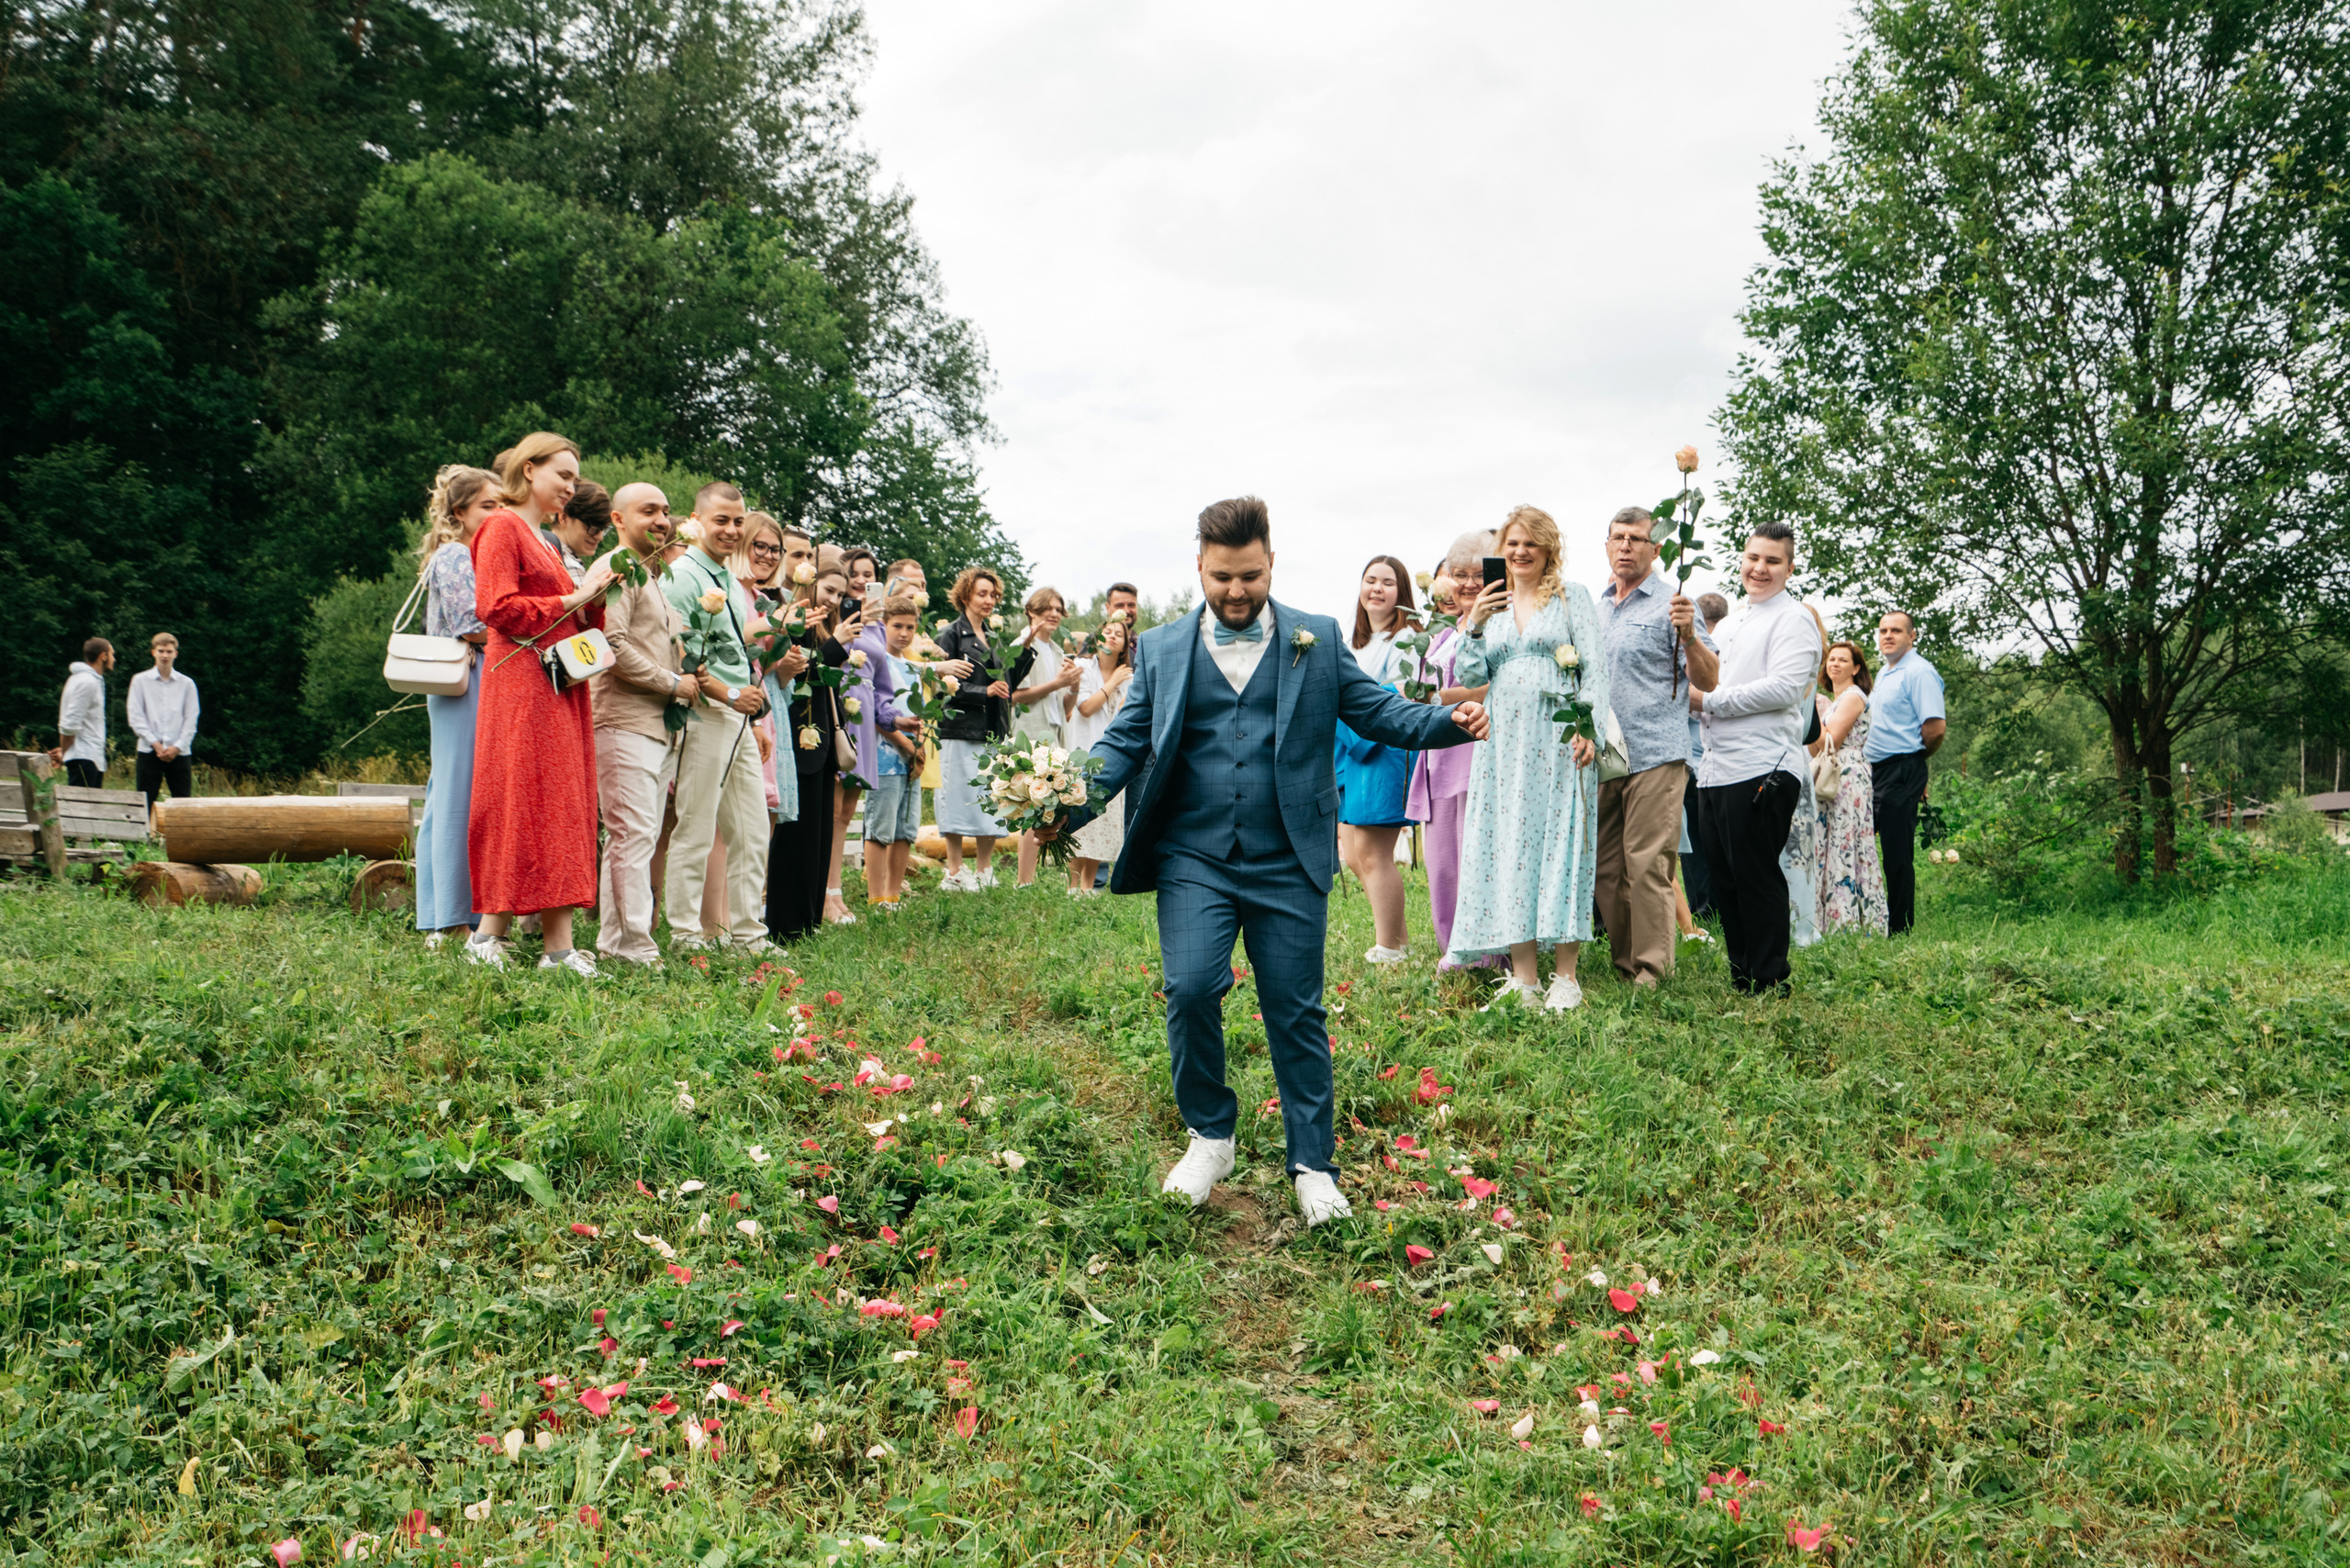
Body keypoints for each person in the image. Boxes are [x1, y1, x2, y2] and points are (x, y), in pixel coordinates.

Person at [1044, 497, 1487, 1226]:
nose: (1236, 591)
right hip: (1194, 852)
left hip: (1288, 853)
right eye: (1222, 577)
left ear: (1272, 563)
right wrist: (1064, 801)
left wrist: (1449, 721)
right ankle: (1209, 1136)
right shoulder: (1161, 648)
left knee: (1294, 1009)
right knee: (1190, 988)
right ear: (1200, 568)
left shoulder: (1318, 637)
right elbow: (1124, 741)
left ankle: (1313, 1165)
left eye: (1250, 576)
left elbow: (1377, 711)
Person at [464, 431, 616, 976]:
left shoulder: (547, 541)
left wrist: (595, 598)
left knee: (560, 804)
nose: (571, 488)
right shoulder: (502, 526)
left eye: (575, 478)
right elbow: (496, 606)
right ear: (529, 469)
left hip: (559, 683)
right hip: (523, 685)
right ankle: (494, 937)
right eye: (563, 475)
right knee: (523, 798)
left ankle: (554, 946)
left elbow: (568, 615)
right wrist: (575, 596)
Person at [1449, 506, 1608, 1010]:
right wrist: (1475, 624)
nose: (1520, 552)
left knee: (1563, 841)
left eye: (1530, 543)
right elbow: (1471, 673)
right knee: (1511, 844)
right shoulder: (1491, 606)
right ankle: (1524, 979)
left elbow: (1595, 670)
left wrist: (1588, 728)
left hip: (1561, 738)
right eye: (1512, 544)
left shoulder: (1571, 597)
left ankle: (1566, 978)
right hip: (1504, 744)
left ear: (1548, 549)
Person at [1689, 522, 1821, 996]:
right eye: (1753, 558)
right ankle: (1743, 976)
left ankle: (1769, 979)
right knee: (1726, 878)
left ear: (1790, 568)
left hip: (1763, 764)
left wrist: (1709, 702)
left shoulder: (1794, 619)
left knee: (1756, 875)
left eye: (1772, 561)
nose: (1759, 568)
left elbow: (1784, 689)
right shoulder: (1730, 623)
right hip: (1715, 767)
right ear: (1742, 561)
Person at [1594, 508, 1719, 988]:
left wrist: (1689, 637)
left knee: (1647, 864)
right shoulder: (1598, 609)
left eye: (1637, 538)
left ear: (1657, 548)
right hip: (1605, 754)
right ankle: (1627, 964)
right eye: (1618, 538)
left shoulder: (1675, 604)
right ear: (1607, 546)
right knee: (1606, 867)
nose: (1626, 546)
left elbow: (1708, 679)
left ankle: (1653, 971)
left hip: (1656, 752)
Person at [659, 482, 777, 953]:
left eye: (738, 521)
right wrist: (729, 696)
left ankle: (749, 934)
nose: (731, 530)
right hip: (704, 713)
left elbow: (732, 652)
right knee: (696, 825)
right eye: (721, 520)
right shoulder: (683, 576)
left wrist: (752, 718)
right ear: (697, 521)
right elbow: (678, 654)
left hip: (738, 717)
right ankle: (686, 935)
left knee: (753, 828)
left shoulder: (727, 577)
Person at [592, 483, 698, 966]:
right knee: (631, 835)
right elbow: (609, 645)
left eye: (666, 511)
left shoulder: (649, 574)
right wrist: (672, 682)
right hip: (622, 721)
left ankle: (620, 944)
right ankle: (631, 948)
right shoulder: (617, 567)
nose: (661, 520)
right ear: (617, 519)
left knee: (639, 836)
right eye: (648, 510)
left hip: (656, 726)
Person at [411, 465, 498, 945]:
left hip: (471, 677)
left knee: (450, 790)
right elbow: (471, 624)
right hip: (465, 678)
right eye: (487, 505)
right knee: (456, 794)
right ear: (460, 511)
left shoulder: (470, 553)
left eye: (501, 506)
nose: (496, 514)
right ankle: (452, 916)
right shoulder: (456, 555)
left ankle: (443, 913)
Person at [1404, 536, 1495, 967]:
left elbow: (1494, 685)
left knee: (1476, 859)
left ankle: (1487, 955)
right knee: (1442, 864)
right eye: (1460, 574)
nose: (1469, 583)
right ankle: (1453, 950)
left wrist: (1437, 699)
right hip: (1439, 754)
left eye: (1479, 574)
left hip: (1476, 751)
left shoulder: (1497, 625)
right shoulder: (1445, 629)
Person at [1334, 555, 1420, 963]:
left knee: (1373, 853)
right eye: (1370, 580)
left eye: (1388, 582)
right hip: (1348, 749)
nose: (1377, 589)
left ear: (1402, 593)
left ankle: (1388, 947)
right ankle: (1398, 941)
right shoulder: (1354, 644)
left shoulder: (1404, 639)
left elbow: (1400, 694)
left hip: (1381, 747)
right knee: (1353, 854)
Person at [767, 564, 859, 939]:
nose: (834, 599)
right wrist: (837, 644)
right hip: (798, 736)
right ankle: (786, 923)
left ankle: (809, 920)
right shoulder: (794, 621)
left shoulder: (823, 628)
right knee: (796, 837)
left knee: (818, 836)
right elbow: (802, 673)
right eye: (829, 590)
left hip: (821, 740)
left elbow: (827, 685)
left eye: (840, 594)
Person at [932, 567, 1014, 890]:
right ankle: (954, 871)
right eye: (982, 594)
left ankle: (984, 869)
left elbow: (1005, 682)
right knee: (954, 797)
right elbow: (942, 685)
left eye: (993, 595)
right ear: (965, 596)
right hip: (959, 728)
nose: (989, 600)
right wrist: (984, 691)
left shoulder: (994, 638)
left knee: (990, 797)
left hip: (992, 730)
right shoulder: (950, 635)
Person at [1866, 610, 1945, 935]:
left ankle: (1900, 928)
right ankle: (1866, 917)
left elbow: (1935, 729)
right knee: (1862, 844)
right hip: (1874, 771)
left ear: (1912, 636)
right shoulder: (1885, 672)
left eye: (1896, 631)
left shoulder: (1919, 672)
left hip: (1902, 767)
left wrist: (1914, 764)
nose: (1888, 636)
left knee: (1896, 853)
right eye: (1883, 630)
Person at [1813, 640, 1889, 935]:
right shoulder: (1832, 701)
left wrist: (1807, 714)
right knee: (1828, 840)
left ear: (1856, 668)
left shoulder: (1854, 696)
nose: (1835, 664)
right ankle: (1825, 919)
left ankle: (1850, 921)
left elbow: (1832, 739)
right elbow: (1815, 746)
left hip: (1847, 774)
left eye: (1843, 660)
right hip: (1828, 771)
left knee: (1846, 842)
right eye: (1831, 659)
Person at [1007, 587, 1082, 887]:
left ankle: (1040, 873)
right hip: (1029, 733)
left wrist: (1073, 686)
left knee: (1049, 804)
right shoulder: (1020, 646)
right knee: (1031, 804)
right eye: (1046, 608)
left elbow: (1065, 708)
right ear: (1031, 612)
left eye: (1058, 609)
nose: (1053, 614)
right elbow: (1013, 696)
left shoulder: (1058, 651)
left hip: (1054, 733)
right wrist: (1057, 683)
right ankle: (1024, 880)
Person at [863, 595, 928, 912]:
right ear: (883, 625)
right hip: (885, 757)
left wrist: (921, 748)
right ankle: (876, 896)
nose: (904, 633)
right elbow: (876, 713)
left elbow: (919, 714)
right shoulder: (877, 661)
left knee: (905, 828)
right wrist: (907, 744)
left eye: (910, 627)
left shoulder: (912, 668)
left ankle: (893, 895)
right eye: (897, 626)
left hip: (911, 759)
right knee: (881, 827)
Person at [1063, 615, 1134, 894]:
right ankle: (1072, 885)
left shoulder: (1129, 676)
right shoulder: (1083, 667)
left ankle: (1088, 886)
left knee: (1100, 821)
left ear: (1124, 645)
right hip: (1082, 751)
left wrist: (1120, 686)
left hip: (1112, 755)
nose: (1113, 635)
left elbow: (1126, 716)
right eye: (1108, 631)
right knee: (1078, 819)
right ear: (1098, 638)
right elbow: (1085, 708)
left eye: (1119, 634)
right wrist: (1112, 683)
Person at [1680, 592, 1731, 920]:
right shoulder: (1727, 649)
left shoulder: (1701, 654)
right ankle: (1717, 907)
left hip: (1692, 758)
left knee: (1694, 844)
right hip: (1717, 760)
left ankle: (1704, 909)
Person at [127, 632, 200, 811]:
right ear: (154, 652)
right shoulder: (140, 681)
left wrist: (177, 747)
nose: (165, 655)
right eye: (161, 651)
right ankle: (144, 832)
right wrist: (155, 744)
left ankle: (181, 832)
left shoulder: (187, 684)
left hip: (179, 753)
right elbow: (135, 716)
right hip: (149, 750)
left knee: (183, 805)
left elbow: (191, 719)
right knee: (144, 803)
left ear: (176, 654)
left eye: (169, 651)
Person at [50, 640, 112, 787]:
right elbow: (70, 725)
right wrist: (64, 752)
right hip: (85, 759)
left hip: (88, 758)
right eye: (112, 654)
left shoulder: (80, 679)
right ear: (103, 656)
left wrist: (64, 749)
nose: (114, 659)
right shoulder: (88, 682)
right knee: (82, 802)